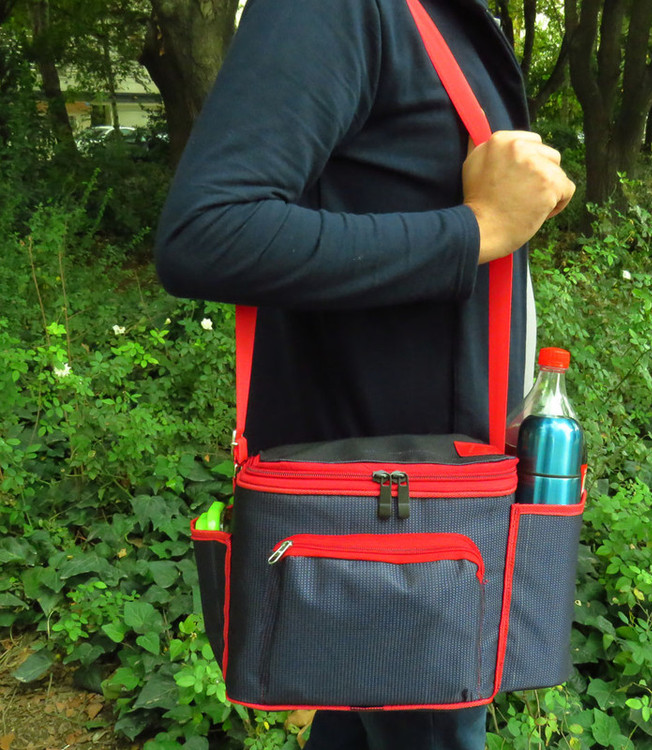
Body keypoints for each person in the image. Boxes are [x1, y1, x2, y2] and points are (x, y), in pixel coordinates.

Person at [155, 0, 575, 747]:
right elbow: (207, 232)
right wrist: (477, 228)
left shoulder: (446, 20)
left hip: (434, 519)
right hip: (401, 536)